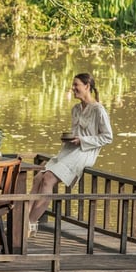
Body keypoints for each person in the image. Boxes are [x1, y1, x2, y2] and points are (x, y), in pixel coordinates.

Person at [27, 72, 113, 235]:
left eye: (76, 85)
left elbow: (108, 137)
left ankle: (31, 222)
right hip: (69, 151)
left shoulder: (98, 110)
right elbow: (76, 132)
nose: (73, 88)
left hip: (84, 153)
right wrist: (71, 139)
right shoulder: (75, 109)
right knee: (39, 177)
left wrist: (82, 140)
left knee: (48, 180)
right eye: (73, 85)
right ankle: (24, 220)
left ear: (87, 86)